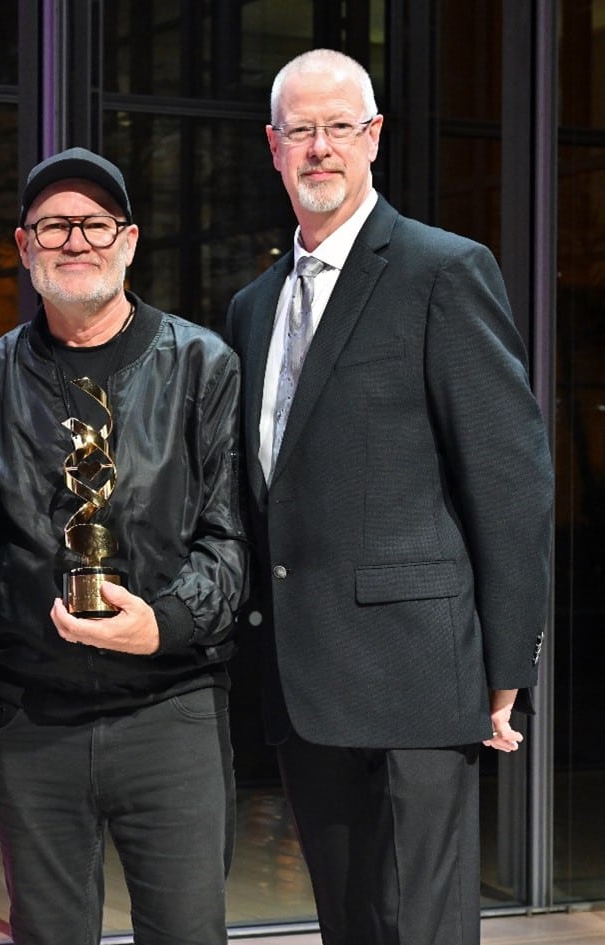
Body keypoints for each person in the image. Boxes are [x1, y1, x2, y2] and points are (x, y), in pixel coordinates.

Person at [224, 49, 553, 945]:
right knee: (349, 925)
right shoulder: (253, 307)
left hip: (417, 674)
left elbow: (511, 476)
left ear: (374, 138)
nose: (319, 148)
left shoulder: (441, 271)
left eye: (339, 128)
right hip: (303, 680)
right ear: (274, 147)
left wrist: (505, 666)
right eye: (301, 131)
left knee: (422, 928)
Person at [0, 148, 247, 945]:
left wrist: (163, 623)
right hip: (33, 721)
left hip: (171, 709)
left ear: (128, 240)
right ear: (24, 246)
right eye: (54, 225)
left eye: (95, 223)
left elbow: (229, 541)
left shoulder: (201, 363)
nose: (75, 240)